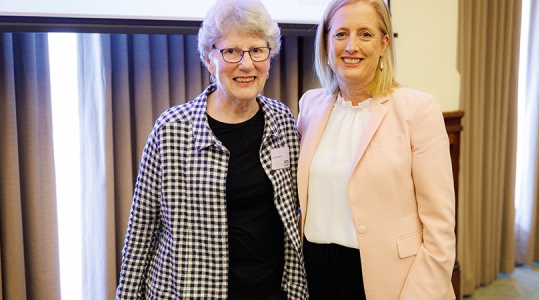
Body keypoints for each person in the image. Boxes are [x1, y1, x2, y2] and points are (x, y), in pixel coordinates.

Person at [115, 0, 308, 299]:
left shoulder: (282, 121)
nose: (246, 64)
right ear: (208, 59)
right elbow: (140, 234)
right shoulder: (172, 130)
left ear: (269, 57)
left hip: (270, 291)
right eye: (231, 51)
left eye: (257, 50)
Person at [296, 0, 456, 299]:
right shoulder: (310, 106)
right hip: (315, 274)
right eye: (341, 34)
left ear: (384, 43)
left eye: (365, 34)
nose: (351, 45)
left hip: (391, 281)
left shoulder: (417, 109)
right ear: (326, 43)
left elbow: (440, 228)